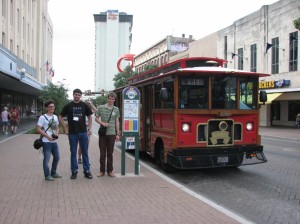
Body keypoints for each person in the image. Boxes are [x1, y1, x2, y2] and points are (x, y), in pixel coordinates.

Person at [58, 88, 93, 180]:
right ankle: (74, 171)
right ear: (73, 95)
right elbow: (60, 117)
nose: (77, 96)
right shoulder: (68, 106)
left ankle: (87, 171)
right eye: (75, 94)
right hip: (72, 133)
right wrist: (65, 128)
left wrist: (89, 128)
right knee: (73, 153)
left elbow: (90, 116)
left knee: (85, 152)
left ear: (80, 96)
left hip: (83, 133)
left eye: (79, 95)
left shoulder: (84, 105)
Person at [95, 92, 120, 177]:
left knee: (110, 153)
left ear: (114, 100)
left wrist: (118, 133)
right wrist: (102, 123)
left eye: (113, 99)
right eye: (110, 98)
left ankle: (110, 171)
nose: (111, 100)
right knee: (102, 153)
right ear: (107, 99)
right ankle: (102, 171)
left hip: (112, 134)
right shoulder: (101, 108)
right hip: (103, 134)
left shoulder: (116, 109)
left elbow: (117, 121)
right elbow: (96, 118)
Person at [36, 99, 61, 181]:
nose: (52, 108)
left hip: (54, 141)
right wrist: (47, 136)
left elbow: (57, 128)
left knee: (57, 157)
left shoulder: (55, 117)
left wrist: (57, 134)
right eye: (50, 107)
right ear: (46, 108)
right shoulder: (42, 117)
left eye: (53, 106)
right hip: (46, 142)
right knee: (46, 159)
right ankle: (47, 175)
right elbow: (38, 129)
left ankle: (53, 173)